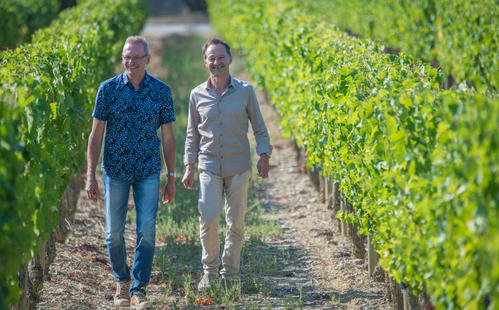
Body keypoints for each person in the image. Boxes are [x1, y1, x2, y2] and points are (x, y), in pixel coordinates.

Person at [85, 36, 176, 308]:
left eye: (136, 57)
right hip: (115, 170)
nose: (131, 62)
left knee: (146, 232)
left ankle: (140, 288)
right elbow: (95, 135)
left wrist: (171, 177)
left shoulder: (161, 91)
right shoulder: (108, 90)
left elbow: (169, 138)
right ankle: (122, 282)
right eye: (127, 56)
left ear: (148, 59)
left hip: (149, 170)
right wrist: (91, 174)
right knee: (113, 233)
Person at [182, 38, 272, 291]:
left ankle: (229, 275)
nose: (217, 62)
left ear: (230, 60)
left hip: (239, 167)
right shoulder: (196, 94)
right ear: (205, 62)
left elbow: (260, 128)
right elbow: (192, 134)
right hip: (208, 166)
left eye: (221, 57)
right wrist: (189, 165)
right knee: (208, 218)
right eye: (212, 58)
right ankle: (209, 273)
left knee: (236, 223)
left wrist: (263, 156)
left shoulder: (245, 91)